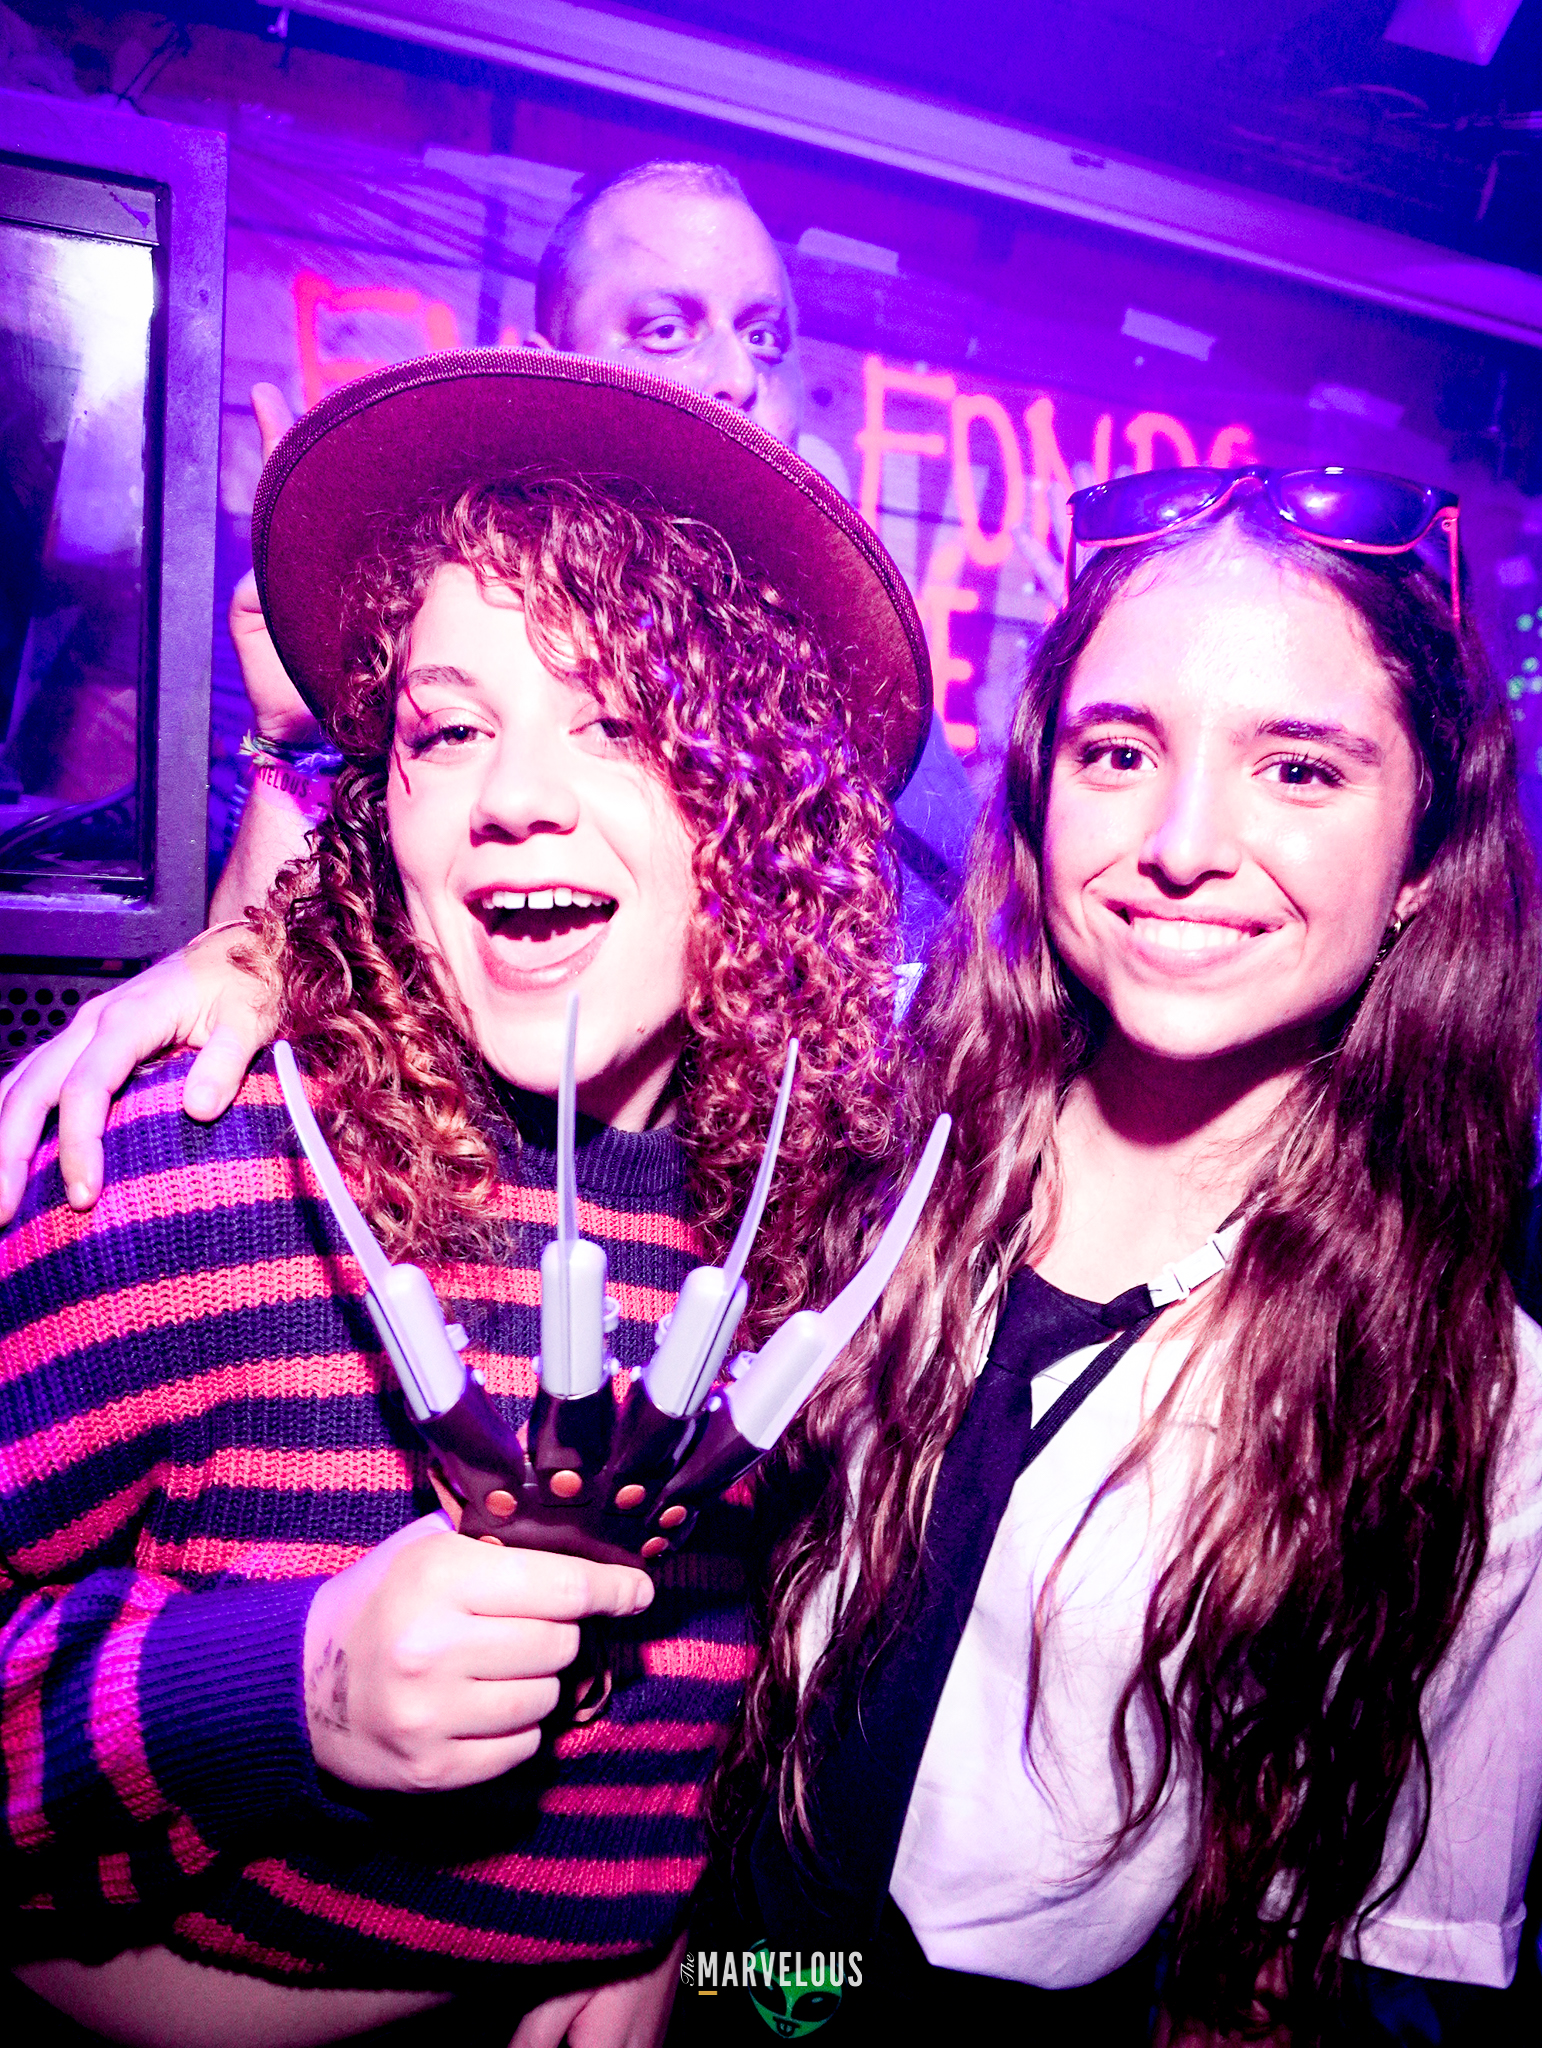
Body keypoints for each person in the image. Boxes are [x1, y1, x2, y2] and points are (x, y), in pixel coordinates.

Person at [0, 351, 925, 2044]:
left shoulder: (820, 1227)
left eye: (619, 718)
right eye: (448, 728)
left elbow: (765, 1729)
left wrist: (663, 1922)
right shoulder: (203, 1168)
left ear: (766, 802)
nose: (513, 799)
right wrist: (283, 1684)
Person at [713, 467, 1542, 2041]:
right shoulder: (848, 1140)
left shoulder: (1481, 1409)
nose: (1179, 844)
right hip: (702, 1973)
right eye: (1118, 752)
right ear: (1037, 792)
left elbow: (1321, 1983)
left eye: (1296, 769)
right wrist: (255, 952)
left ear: (1425, 855)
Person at [217, 158, 973, 953]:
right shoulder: (446, 647)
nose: (739, 376)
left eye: (764, 337)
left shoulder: (852, 698)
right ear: (551, 363)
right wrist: (293, 740)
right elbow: (263, 997)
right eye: (667, 330)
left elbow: (949, 981)